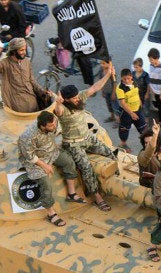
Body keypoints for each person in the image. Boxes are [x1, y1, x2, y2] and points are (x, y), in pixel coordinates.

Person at [53, 68, 117, 212]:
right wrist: (57, 102)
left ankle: (114, 180)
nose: (77, 99)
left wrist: (107, 74)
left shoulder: (80, 97)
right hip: (73, 144)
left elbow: (95, 87)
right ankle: (98, 198)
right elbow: (58, 111)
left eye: (77, 96)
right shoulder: (63, 108)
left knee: (110, 152)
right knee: (86, 169)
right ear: (67, 100)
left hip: (88, 138)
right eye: (74, 98)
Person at [18, 111, 86, 227]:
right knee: (46, 184)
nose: (54, 126)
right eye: (51, 126)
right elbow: (29, 156)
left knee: (68, 162)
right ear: (42, 126)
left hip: (51, 152)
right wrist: (45, 166)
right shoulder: (28, 136)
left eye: (54, 123)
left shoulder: (52, 123)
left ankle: (71, 193)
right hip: (36, 161)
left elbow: (58, 130)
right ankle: (51, 213)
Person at [0, 38, 50, 112]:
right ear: (14, 51)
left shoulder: (26, 62)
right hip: (17, 100)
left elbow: (32, 80)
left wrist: (42, 91)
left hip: (31, 96)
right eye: (21, 50)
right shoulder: (5, 63)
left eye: (24, 50)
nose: (24, 52)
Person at [116, 68, 148, 153]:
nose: (126, 81)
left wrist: (140, 102)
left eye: (128, 78)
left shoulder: (135, 82)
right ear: (121, 78)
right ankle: (123, 144)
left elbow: (137, 93)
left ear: (131, 76)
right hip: (126, 112)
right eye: (124, 79)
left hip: (137, 110)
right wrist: (131, 113)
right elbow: (122, 103)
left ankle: (147, 144)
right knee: (124, 129)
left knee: (143, 128)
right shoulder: (120, 88)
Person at [137, 119, 161, 188]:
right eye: (146, 143)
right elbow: (149, 152)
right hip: (150, 185)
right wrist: (155, 134)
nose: (147, 145)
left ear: (158, 142)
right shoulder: (142, 155)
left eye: (150, 142)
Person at [99, 56, 119, 126]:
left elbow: (115, 83)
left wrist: (114, 93)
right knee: (109, 105)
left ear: (109, 64)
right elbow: (100, 81)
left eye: (103, 63)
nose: (102, 65)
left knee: (115, 106)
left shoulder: (112, 72)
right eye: (101, 63)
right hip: (106, 91)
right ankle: (112, 116)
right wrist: (102, 91)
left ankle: (118, 120)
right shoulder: (101, 70)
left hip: (112, 92)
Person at [132, 58, 151, 122]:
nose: (135, 69)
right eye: (134, 67)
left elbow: (148, 84)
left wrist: (147, 93)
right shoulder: (133, 73)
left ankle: (146, 122)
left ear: (141, 66)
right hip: (136, 94)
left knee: (145, 108)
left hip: (144, 94)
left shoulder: (145, 75)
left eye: (136, 67)